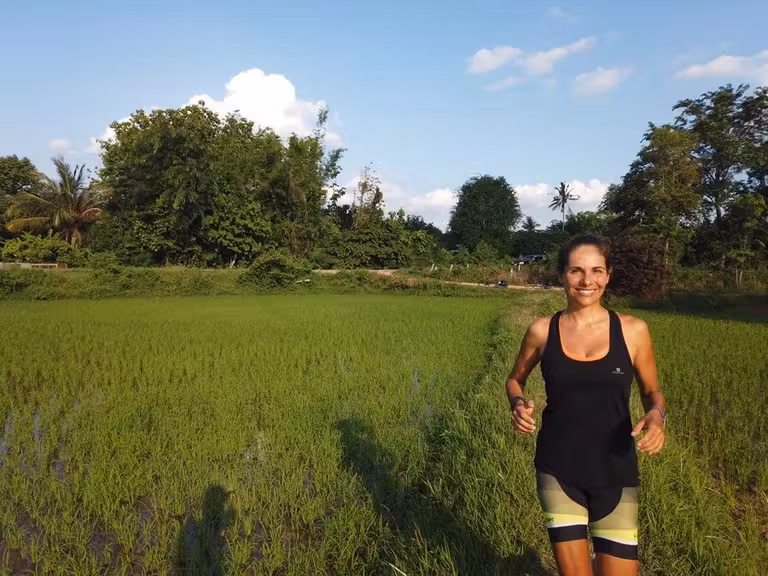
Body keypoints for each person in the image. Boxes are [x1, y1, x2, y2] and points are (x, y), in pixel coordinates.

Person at [505, 235, 666, 576]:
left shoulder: (634, 331)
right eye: (576, 270)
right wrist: (517, 403)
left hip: (616, 471)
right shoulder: (542, 331)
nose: (586, 280)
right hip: (558, 468)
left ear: (608, 275)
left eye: (596, 271)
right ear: (562, 275)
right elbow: (514, 379)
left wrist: (656, 416)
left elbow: (653, 392)